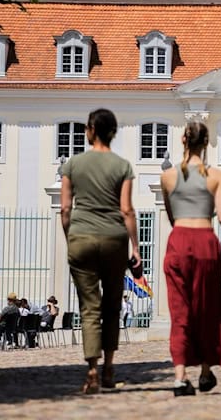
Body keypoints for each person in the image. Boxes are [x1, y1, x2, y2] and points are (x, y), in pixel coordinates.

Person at [160, 120, 221, 397]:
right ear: (207, 142)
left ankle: (179, 376)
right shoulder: (216, 176)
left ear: (183, 140)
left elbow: (171, 215)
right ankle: (206, 370)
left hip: (178, 241)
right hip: (206, 242)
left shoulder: (167, 177)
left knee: (180, 310)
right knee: (207, 306)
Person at [61, 108, 142, 394]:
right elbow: (127, 210)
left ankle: (92, 370)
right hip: (113, 239)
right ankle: (109, 367)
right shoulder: (122, 166)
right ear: (113, 132)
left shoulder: (73, 164)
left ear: (91, 129)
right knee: (112, 307)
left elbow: (65, 208)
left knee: (89, 308)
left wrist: (70, 236)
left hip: (81, 237)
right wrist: (136, 247)